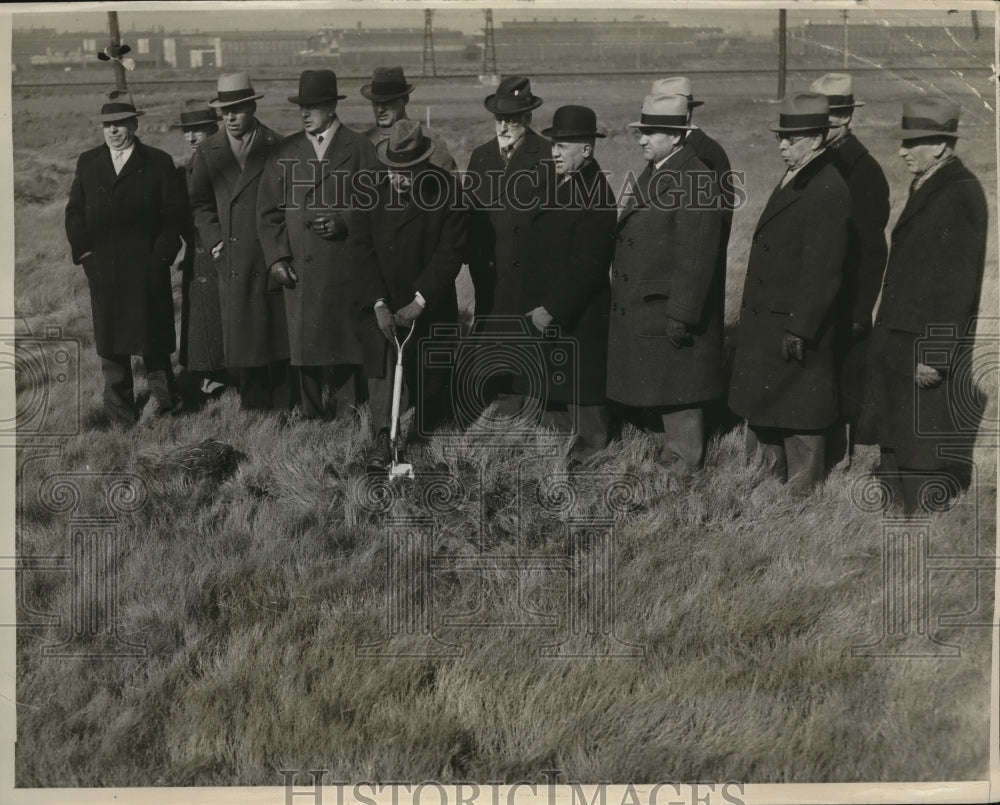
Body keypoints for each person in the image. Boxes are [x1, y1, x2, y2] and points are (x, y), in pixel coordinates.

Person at [867, 97, 988, 514]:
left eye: (913, 142)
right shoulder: (931, 182)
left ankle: (921, 516)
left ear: (940, 145)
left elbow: (957, 287)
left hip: (923, 344)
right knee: (898, 429)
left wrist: (935, 355)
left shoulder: (960, 193)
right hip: (902, 335)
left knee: (919, 435)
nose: (903, 151)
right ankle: (895, 510)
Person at [728, 92, 849, 494]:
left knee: (800, 413)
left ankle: (802, 495)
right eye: (780, 137)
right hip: (775, 318)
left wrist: (801, 327)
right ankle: (766, 484)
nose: (782, 145)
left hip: (794, 324)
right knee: (773, 404)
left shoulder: (827, 187)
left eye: (791, 139)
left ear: (816, 139)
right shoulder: (798, 175)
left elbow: (823, 271)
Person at [606, 94, 725, 476]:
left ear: (676, 136)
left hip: (667, 307)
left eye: (651, 132)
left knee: (680, 390)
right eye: (641, 131)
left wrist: (682, 314)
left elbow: (697, 257)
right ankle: (668, 459)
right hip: (651, 304)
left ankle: (685, 469)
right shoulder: (659, 169)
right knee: (665, 385)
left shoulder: (696, 178)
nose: (642, 139)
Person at [257, 69, 378, 420]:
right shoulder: (286, 150)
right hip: (301, 269)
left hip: (345, 268)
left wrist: (346, 220)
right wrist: (277, 258)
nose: (304, 113)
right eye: (301, 107)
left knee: (344, 345)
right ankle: (311, 416)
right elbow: (267, 211)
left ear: (331, 107)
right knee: (305, 348)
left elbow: (378, 203)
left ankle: (347, 414)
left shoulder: (359, 148)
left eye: (312, 107)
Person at [349, 120, 466, 472]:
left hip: (428, 300)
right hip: (381, 299)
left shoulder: (448, 191)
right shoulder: (371, 190)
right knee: (383, 361)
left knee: (428, 379)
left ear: (423, 164)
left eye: (406, 173)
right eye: (392, 171)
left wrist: (421, 300)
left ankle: (420, 436)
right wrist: (378, 303)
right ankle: (383, 438)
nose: (397, 179)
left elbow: (450, 252)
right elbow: (360, 249)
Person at [65, 91, 186, 426]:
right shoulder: (89, 162)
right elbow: (75, 213)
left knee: (154, 343)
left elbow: (174, 216)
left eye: (120, 123)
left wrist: (160, 259)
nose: (113, 131)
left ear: (134, 124)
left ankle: (166, 406)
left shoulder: (158, 161)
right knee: (112, 346)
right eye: (108, 125)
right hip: (105, 271)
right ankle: (119, 415)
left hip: (147, 270)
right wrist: (87, 256)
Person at [507, 104, 617, 463]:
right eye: (554, 144)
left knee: (582, 385)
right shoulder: (560, 180)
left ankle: (592, 451)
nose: (554, 151)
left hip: (574, 310)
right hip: (548, 304)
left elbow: (588, 266)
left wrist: (552, 308)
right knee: (556, 378)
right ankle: (556, 440)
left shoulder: (597, 194)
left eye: (564, 146)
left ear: (586, 149)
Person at [189, 73, 289, 412]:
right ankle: (255, 411)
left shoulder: (277, 145)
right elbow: (200, 204)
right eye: (224, 111)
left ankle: (285, 410)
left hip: (269, 256)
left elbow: (289, 203)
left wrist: (280, 250)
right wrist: (216, 242)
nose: (230, 117)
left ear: (252, 108)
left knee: (276, 337)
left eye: (237, 110)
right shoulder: (208, 151)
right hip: (232, 258)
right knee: (245, 341)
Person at [809, 72, 890, 470]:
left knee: (845, 376)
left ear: (843, 118)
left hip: (847, 297)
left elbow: (872, 252)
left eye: (822, 118)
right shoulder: (823, 160)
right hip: (822, 292)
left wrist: (860, 310)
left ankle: (845, 455)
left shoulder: (863, 171)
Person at [465, 75, 551, 322]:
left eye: (510, 121)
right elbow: (469, 214)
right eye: (498, 120)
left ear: (527, 119)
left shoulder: (547, 156)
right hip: (488, 279)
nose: (502, 128)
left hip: (529, 282)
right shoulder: (480, 156)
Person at [171, 99, 228, 402]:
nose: (191, 137)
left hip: (221, 250)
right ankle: (207, 374)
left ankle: (222, 374)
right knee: (201, 318)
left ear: (213, 130)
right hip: (197, 253)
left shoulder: (225, 165)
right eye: (186, 131)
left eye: (198, 131)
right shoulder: (185, 170)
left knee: (221, 315)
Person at [360, 65, 456, 172]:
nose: (380, 110)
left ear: (405, 99)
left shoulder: (429, 142)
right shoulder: (362, 143)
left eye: (387, 102)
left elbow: (449, 181)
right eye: (375, 103)